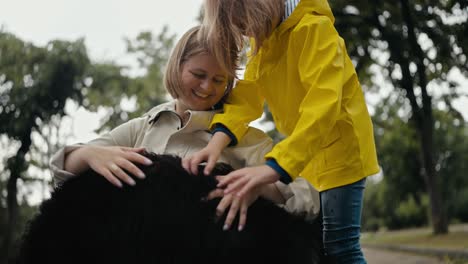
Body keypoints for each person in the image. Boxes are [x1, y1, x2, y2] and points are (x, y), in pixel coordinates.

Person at [50, 25, 320, 223]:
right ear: (177, 67)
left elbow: (309, 197)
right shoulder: (142, 128)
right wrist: (87, 153)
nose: (207, 87)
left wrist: (258, 187)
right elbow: (62, 171)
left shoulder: (248, 139)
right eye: (198, 74)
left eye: (219, 80)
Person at [182, 1, 380, 263]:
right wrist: (215, 143)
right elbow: (246, 98)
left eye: (243, 25)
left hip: (340, 156)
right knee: (315, 244)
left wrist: (275, 167)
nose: (244, 34)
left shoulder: (314, 29)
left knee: (339, 248)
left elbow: (323, 105)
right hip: (306, 158)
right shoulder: (264, 44)